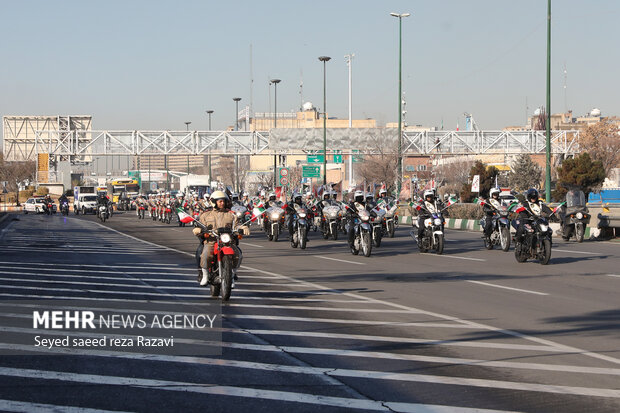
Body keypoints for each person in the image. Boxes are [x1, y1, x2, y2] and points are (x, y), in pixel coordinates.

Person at [193, 191, 238, 286]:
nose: (222, 203)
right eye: (220, 201)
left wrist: (243, 228)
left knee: (238, 254)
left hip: (227, 241)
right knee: (205, 255)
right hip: (211, 241)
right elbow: (200, 226)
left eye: (224, 201)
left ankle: (232, 276)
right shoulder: (205, 215)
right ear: (214, 202)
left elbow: (237, 226)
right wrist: (198, 229)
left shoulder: (231, 215)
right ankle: (205, 275)